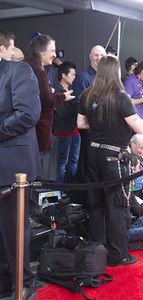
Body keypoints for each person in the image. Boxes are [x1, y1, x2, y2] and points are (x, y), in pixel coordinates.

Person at [77, 55, 143, 266]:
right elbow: (141, 128)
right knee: (118, 206)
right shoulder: (120, 97)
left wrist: (101, 127)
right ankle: (118, 255)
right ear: (116, 73)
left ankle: (99, 252)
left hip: (93, 153)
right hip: (114, 157)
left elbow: (81, 124)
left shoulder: (87, 95)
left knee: (96, 204)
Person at [0, 29, 41, 299]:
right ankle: (4, 281)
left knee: (13, 230)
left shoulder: (18, 71)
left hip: (13, 168)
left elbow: (28, 114)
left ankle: (23, 282)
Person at [24, 34, 74, 180]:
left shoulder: (26, 66)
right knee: (40, 175)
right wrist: (63, 96)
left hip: (29, 131)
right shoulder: (39, 71)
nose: (55, 54)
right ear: (41, 52)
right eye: (52, 51)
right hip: (39, 131)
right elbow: (46, 102)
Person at [72, 45, 106, 183]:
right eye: (96, 55)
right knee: (86, 161)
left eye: (102, 56)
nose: (99, 58)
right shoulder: (83, 77)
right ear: (90, 56)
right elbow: (80, 104)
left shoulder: (105, 78)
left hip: (102, 130)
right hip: (88, 128)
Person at [53, 61, 80, 183]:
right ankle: (59, 189)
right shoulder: (56, 92)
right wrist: (75, 108)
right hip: (62, 132)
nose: (74, 77)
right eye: (72, 74)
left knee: (73, 160)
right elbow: (62, 113)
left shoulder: (72, 89)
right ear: (63, 75)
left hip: (75, 130)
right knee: (62, 162)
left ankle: (71, 187)